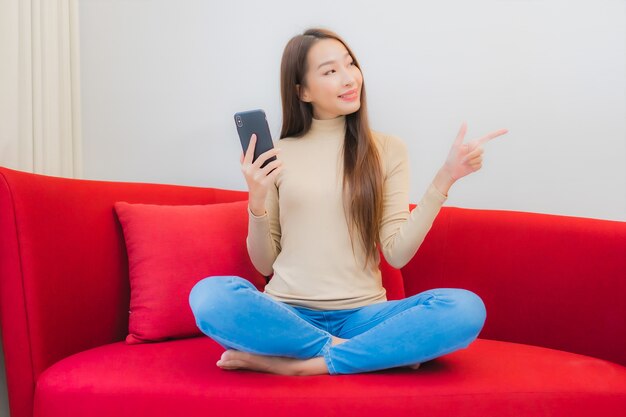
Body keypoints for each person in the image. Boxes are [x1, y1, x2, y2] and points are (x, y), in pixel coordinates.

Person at [189, 27, 508, 376]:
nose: (349, 78)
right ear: (303, 91)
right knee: (209, 296)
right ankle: (359, 355)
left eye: (350, 64)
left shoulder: (387, 150)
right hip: (288, 314)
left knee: (464, 308)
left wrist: (446, 177)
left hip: (364, 316)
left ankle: (299, 366)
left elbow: (397, 253)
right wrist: (257, 199)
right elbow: (265, 264)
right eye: (330, 71)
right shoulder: (280, 154)